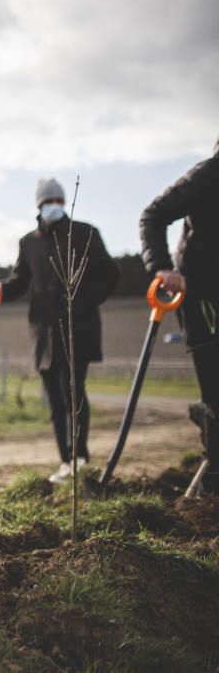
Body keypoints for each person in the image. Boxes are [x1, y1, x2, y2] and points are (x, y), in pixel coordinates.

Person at [0, 179, 119, 483]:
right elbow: (21, 281)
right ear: (38, 206)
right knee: (54, 401)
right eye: (47, 201)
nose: (53, 205)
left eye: (58, 200)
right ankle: (65, 461)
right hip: (43, 335)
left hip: (78, 330)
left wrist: (84, 300)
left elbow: (110, 275)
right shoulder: (29, 243)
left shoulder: (85, 234)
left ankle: (81, 458)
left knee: (73, 394)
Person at [139, 139, 219, 494]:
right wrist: (161, 268)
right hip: (199, 291)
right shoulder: (207, 175)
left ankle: (206, 416)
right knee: (215, 383)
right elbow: (152, 215)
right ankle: (214, 479)